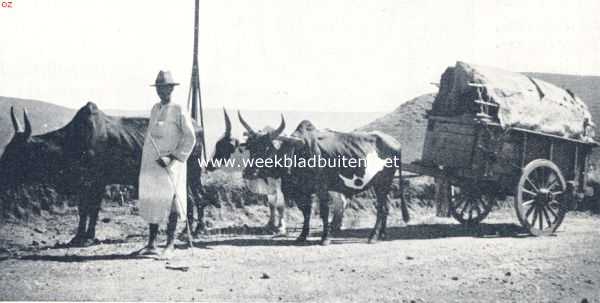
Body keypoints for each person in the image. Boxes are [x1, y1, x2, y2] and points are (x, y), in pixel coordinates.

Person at [134, 70, 196, 258]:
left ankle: (170, 245)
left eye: (166, 87)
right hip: (153, 165)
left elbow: (190, 138)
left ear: (171, 88)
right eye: (159, 88)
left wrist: (173, 157)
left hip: (172, 165)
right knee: (153, 200)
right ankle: (151, 244)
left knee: (172, 202)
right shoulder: (155, 109)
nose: (162, 91)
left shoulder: (179, 109)